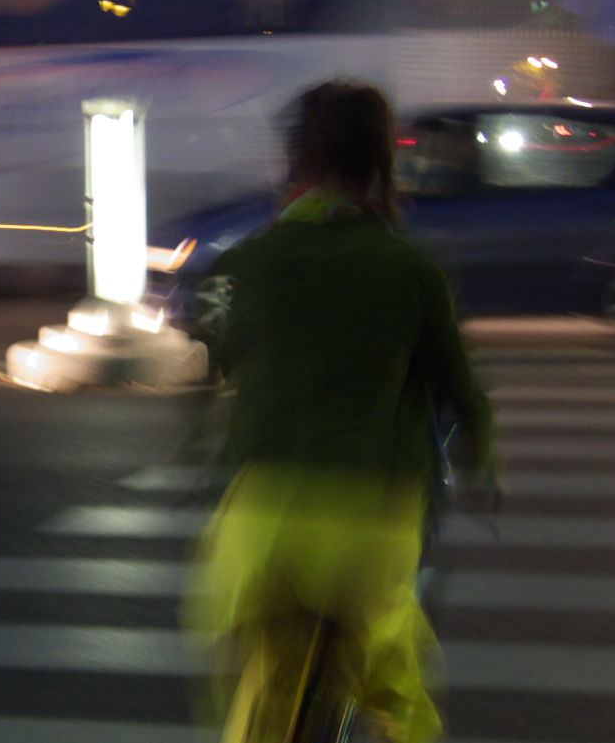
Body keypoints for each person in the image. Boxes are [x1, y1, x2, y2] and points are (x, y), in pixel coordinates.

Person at [181, 81, 500, 743]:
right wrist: (483, 460)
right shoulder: (409, 268)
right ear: (380, 164)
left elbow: (218, 346)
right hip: (368, 528)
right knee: (399, 686)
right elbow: (460, 388)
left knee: (259, 698)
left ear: (293, 161)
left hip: (262, 532)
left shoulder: (250, 260)